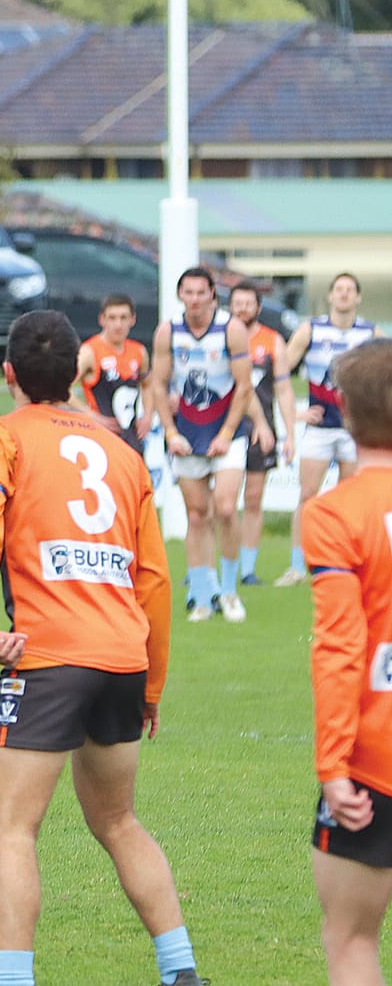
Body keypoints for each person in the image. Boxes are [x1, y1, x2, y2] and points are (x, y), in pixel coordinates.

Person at [0, 310, 199, 986]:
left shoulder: (1, 438)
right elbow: (154, 577)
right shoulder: (122, 452)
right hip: (122, 656)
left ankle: (11, 978)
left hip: (47, 655)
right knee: (118, 819)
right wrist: (152, 685)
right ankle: (181, 968)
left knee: (11, 828)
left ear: (9, 374)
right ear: (79, 373)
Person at [302, 337, 392, 985]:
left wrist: (333, 766)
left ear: (344, 411)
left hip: (374, 759)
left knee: (353, 939)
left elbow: (341, 647)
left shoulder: (335, 513)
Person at [148, 267, 252, 623]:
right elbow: (159, 385)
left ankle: (229, 590)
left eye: (200, 292)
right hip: (187, 434)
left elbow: (244, 386)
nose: (194, 299)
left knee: (225, 508)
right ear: (180, 295)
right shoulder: (168, 332)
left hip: (226, 432)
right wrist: (171, 432)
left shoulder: (231, 329)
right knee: (197, 514)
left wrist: (226, 434)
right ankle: (203, 595)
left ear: (212, 295)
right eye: (187, 293)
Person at [279, 274, 381, 587]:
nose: (344, 295)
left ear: (358, 298)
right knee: (308, 495)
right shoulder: (311, 330)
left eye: (350, 290)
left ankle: (350, 559)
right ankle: (298, 565)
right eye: (339, 289)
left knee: (352, 497)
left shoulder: (371, 333)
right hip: (320, 427)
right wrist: (295, 414)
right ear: (330, 296)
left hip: (354, 431)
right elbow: (280, 372)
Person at [228, 282, 291, 586]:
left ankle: (248, 570)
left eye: (247, 303)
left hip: (261, 428)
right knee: (220, 502)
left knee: (253, 499)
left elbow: (283, 389)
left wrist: (290, 431)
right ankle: (210, 567)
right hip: (226, 428)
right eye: (236, 303)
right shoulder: (221, 337)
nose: (241, 308)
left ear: (258, 307)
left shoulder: (272, 340)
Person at [74, 293, 153, 457]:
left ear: (133, 320)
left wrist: (147, 416)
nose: (118, 324)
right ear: (102, 319)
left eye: (124, 318)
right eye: (112, 318)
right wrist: (92, 416)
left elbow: (147, 384)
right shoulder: (90, 352)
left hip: (132, 440)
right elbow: (62, 389)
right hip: (102, 439)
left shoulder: (139, 351)